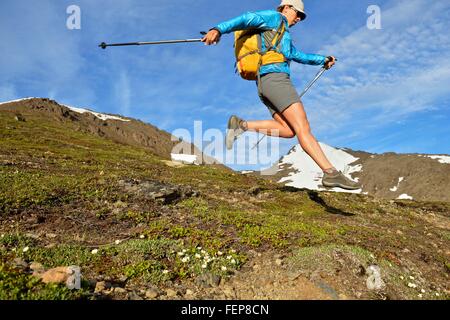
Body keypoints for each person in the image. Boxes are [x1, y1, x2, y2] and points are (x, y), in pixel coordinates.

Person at [202, 0, 361, 190]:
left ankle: (241, 125)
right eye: (298, 14)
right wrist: (218, 30)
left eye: (302, 17)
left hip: (264, 84)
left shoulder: (281, 33)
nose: (299, 19)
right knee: (303, 128)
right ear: (286, 7)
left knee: (288, 130)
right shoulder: (274, 18)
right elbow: (246, 18)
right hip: (276, 79)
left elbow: (297, 54)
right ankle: (331, 173)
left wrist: (323, 60)